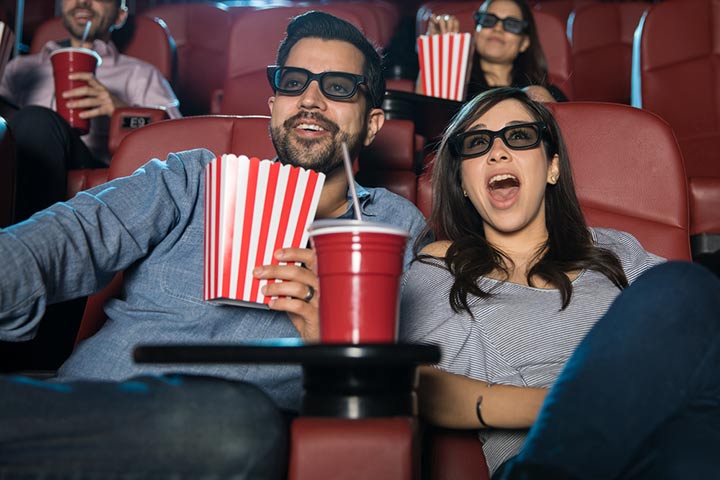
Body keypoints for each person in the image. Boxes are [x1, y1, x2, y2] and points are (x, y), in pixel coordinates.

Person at [0, 11, 428, 477]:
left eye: (339, 87)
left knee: (232, 424)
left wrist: (337, 345)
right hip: (75, 411)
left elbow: (408, 379)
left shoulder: (393, 225)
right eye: (294, 82)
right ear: (273, 105)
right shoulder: (191, 178)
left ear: (372, 124)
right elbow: (61, 241)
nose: (310, 99)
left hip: (217, 438)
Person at [399, 87, 720, 478]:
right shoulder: (445, 267)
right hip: (548, 460)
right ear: (463, 182)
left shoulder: (614, 249)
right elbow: (418, 383)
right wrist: (573, 403)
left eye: (519, 136)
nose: (497, 152)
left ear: (552, 167)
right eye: (477, 143)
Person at [0, 0, 180, 220]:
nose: (83, 1)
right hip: (19, 160)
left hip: (90, 160)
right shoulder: (21, 69)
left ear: (120, 16)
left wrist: (119, 110)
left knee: (36, 120)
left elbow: (177, 143)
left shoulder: (141, 74)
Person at [424, 0, 567, 102]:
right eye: (488, 20)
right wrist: (435, 55)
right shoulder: (457, 88)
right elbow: (430, 125)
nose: (498, 28)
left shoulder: (547, 93)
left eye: (511, 24)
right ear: (476, 32)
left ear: (524, 43)